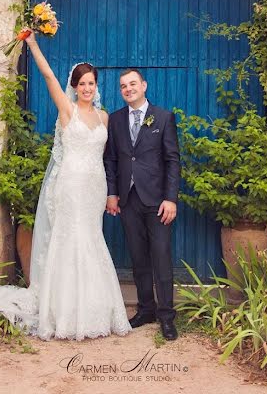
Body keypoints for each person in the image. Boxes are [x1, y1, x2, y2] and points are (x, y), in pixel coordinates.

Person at [0, 32, 131, 340]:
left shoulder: (105, 117)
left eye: (91, 83)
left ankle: (96, 307)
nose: (87, 88)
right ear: (74, 86)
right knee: (70, 241)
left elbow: (106, 156)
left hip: (94, 188)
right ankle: (65, 312)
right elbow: (46, 74)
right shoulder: (67, 110)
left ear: (97, 86)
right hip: (69, 185)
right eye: (82, 83)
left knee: (92, 239)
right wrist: (31, 44)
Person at [103, 68, 181, 341]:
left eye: (132, 84)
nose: (128, 89)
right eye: (123, 86)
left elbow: (172, 160)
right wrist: (112, 193)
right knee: (138, 259)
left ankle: (166, 316)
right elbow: (111, 160)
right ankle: (146, 309)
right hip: (129, 200)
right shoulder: (114, 120)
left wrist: (170, 198)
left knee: (161, 258)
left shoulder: (163, 117)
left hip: (158, 201)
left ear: (144, 86)